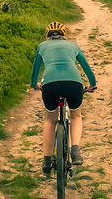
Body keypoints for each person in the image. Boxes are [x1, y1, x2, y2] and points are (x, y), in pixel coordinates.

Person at [30, 21, 97, 175]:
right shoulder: (73, 46)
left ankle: (47, 162)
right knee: (76, 115)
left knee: (50, 120)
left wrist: (34, 84)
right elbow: (87, 67)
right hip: (73, 84)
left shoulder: (42, 46)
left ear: (47, 36)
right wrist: (92, 85)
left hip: (50, 85)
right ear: (64, 35)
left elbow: (35, 70)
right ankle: (75, 151)